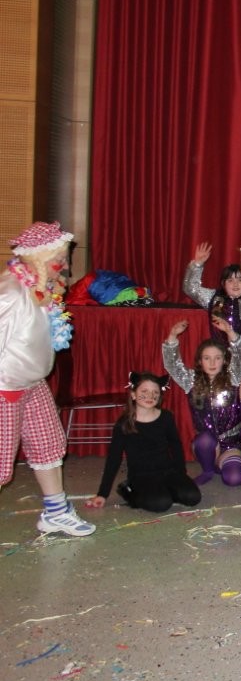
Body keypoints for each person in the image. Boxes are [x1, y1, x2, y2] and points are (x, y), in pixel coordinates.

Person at [0, 221, 95, 536]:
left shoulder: (41, 290)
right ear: (39, 258)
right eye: (60, 259)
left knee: (49, 446)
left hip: (33, 383)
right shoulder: (11, 292)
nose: (65, 266)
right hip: (6, 388)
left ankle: (56, 512)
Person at [85, 372, 200, 513]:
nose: (150, 396)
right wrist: (103, 493)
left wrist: (181, 475)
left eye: (155, 392)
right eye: (144, 391)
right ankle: (128, 490)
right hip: (141, 475)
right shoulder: (124, 424)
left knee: (192, 497)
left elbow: (176, 446)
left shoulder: (166, 417)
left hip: (167, 471)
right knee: (161, 504)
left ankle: (162, 491)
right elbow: (114, 458)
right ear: (133, 395)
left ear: (159, 396)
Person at [162, 317, 241, 486]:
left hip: (231, 443)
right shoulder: (190, 380)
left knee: (234, 479)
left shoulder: (233, 377)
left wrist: (230, 332)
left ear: (224, 360)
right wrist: (172, 336)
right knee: (205, 439)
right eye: (207, 358)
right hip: (206, 444)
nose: (212, 363)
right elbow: (173, 365)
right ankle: (208, 469)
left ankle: (223, 463)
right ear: (200, 361)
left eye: (217, 358)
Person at [183, 242, 241, 359]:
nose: (235, 284)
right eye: (230, 280)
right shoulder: (214, 298)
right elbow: (190, 288)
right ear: (223, 284)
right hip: (221, 355)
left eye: (240, 280)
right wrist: (197, 264)